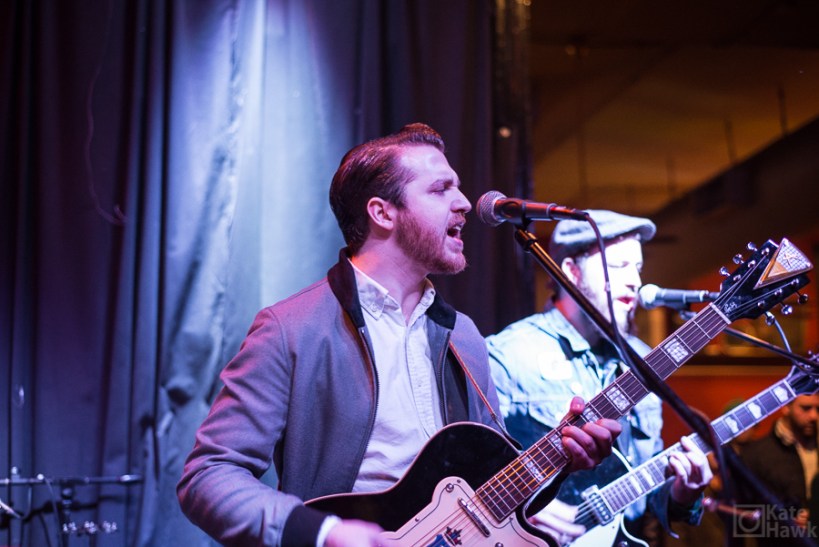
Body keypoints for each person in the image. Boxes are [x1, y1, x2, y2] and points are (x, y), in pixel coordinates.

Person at [177, 123, 622, 547]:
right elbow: (209, 474)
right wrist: (322, 533)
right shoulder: (291, 328)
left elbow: (496, 494)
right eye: (440, 188)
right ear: (382, 212)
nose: (465, 203)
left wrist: (562, 457)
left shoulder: (462, 335)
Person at [486, 210, 712, 546]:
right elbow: (467, 471)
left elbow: (642, 489)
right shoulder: (507, 355)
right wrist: (519, 511)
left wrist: (683, 493)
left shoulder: (642, 357)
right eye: (618, 266)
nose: (634, 280)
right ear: (571, 272)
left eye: (636, 267)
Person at [739, 394, 819, 545]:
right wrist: (786, 524)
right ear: (785, 407)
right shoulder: (756, 454)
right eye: (806, 408)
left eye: (818, 409)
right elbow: (743, 514)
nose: (814, 416)